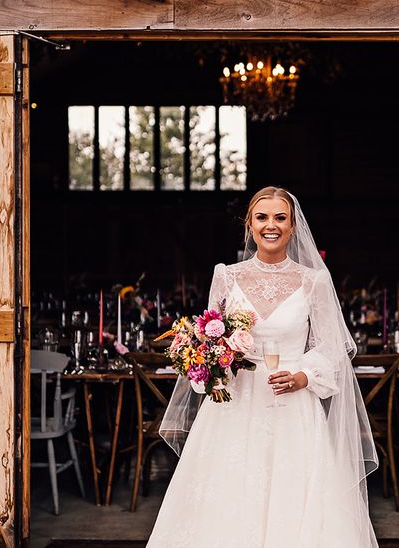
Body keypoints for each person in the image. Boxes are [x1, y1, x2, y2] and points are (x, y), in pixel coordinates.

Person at [147, 186, 379, 548]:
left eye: (280, 218)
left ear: (292, 227)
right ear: (249, 225)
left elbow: (332, 348)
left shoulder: (314, 280)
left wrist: (304, 375)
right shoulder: (226, 275)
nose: (271, 225)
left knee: (294, 500)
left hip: (293, 406)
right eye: (262, 217)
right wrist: (208, 358)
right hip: (234, 406)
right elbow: (213, 329)